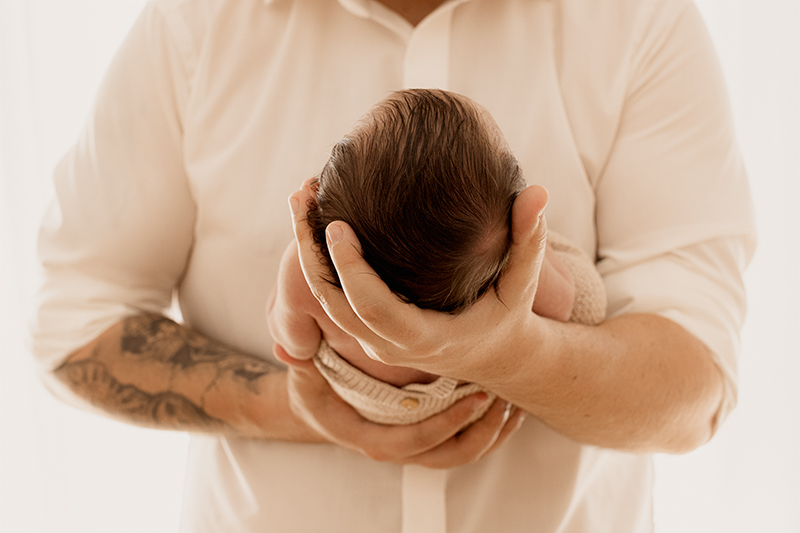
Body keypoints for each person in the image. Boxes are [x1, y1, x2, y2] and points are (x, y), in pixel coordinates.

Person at [29, 0, 756, 531]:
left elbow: (695, 386)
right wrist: (302, 406)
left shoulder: (637, 21)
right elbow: (74, 324)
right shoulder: (194, 26)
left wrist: (518, 354)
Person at [269, 88, 607, 425]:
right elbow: (563, 307)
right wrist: (529, 244)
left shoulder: (303, 271)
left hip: (371, 399)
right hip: (479, 390)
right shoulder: (501, 266)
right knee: (578, 294)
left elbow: (293, 348)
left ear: (319, 193)